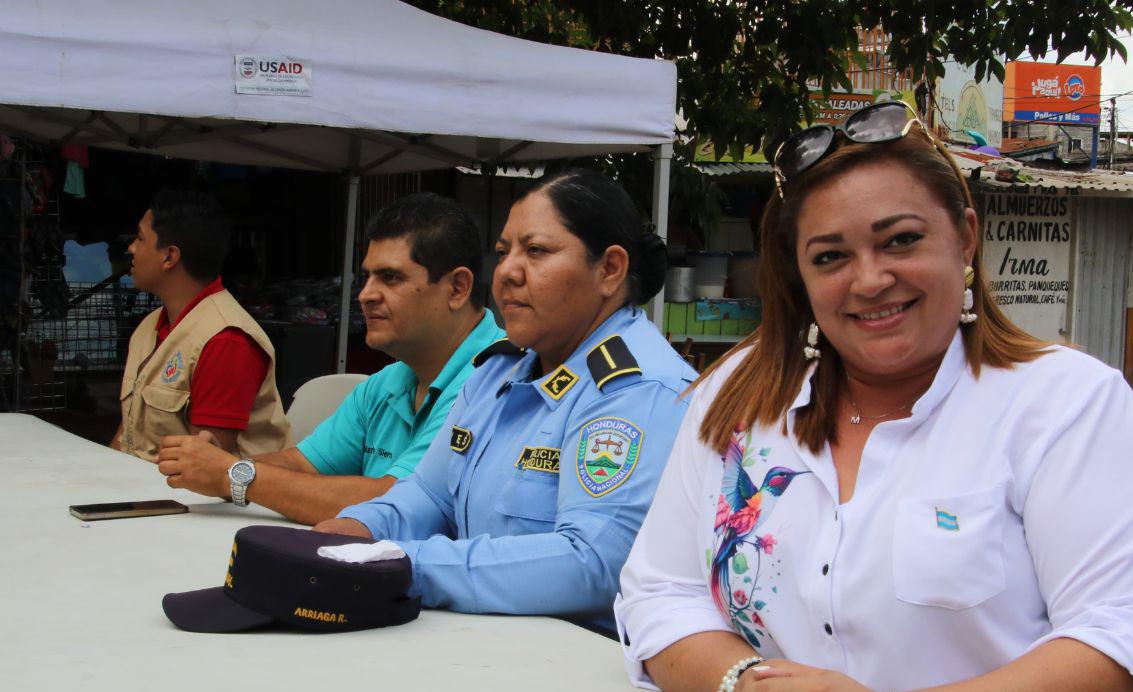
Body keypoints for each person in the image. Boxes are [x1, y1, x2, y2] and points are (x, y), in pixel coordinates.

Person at [615, 101, 1133, 692]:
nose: (869, 279)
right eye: (830, 257)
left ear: (964, 236)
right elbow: (660, 592)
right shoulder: (735, 403)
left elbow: (1121, 656)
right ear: (798, 273)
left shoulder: (1065, 406)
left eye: (901, 241)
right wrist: (748, 691)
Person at [314, 169, 696, 633]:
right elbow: (428, 495)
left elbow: (592, 562)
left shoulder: (635, 389)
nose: (506, 273)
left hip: (579, 668)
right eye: (503, 252)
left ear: (609, 270)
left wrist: (403, 562)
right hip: (484, 647)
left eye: (535, 251)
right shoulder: (500, 370)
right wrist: (360, 530)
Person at [154, 193, 504, 524]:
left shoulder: (497, 380)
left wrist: (233, 476)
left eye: (391, 278)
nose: (366, 295)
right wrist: (220, 465)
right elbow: (305, 464)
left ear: (457, 288)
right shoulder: (389, 382)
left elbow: (399, 502)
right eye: (367, 276)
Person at [113, 190, 291, 460]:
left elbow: (205, 471)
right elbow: (126, 437)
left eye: (139, 238)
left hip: (203, 497)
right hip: (146, 489)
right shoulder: (149, 325)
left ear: (169, 257)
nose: (131, 249)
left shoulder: (226, 340)